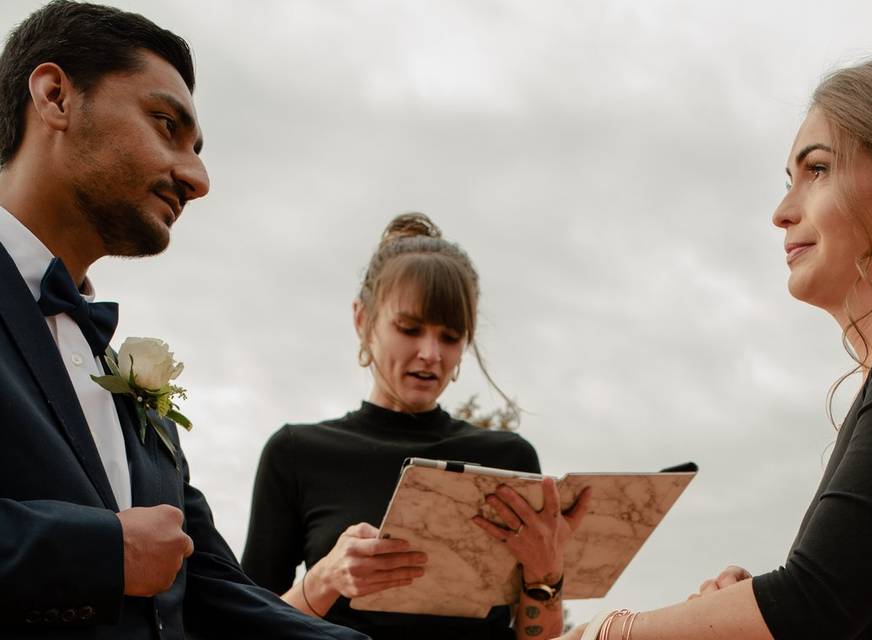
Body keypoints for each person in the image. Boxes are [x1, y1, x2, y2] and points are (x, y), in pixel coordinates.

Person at [553, 53, 872, 640]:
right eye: (788, 180)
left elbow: (813, 605)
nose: (782, 212)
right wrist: (742, 610)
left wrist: (604, 632)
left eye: (817, 170)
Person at [0, 2, 368, 638]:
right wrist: (95, 551)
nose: (197, 178)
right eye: (166, 124)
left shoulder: (123, 374)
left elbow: (211, 587)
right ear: (56, 95)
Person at [242, 212, 591, 640]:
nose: (431, 353)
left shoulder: (509, 458)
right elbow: (246, 629)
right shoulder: (296, 452)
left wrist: (545, 574)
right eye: (409, 329)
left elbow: (538, 638)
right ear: (362, 320)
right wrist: (324, 580)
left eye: (450, 337)